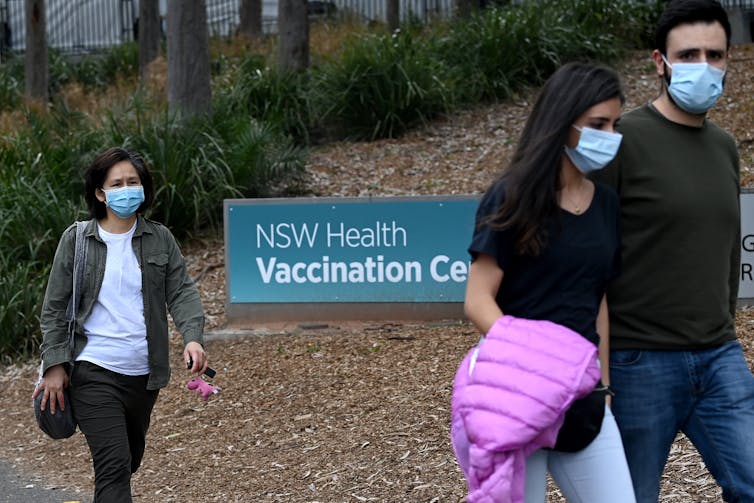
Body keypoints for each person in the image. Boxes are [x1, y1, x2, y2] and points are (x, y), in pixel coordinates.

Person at [589, 1, 754, 501]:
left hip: (719, 356)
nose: (702, 66)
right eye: (688, 55)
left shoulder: (724, 146)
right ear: (660, 62)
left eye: (714, 54)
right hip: (639, 363)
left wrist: (724, 328)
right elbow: (586, 256)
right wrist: (600, 375)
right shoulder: (621, 141)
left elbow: (726, 251)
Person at [455, 62, 635, 502]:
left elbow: (599, 302)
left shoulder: (606, 204)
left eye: (614, 123)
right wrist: (537, 367)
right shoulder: (512, 197)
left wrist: (604, 386)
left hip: (586, 402)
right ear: (562, 122)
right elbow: (478, 301)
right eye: (597, 124)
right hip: (516, 401)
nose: (609, 134)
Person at [32, 147, 209, 503]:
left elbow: (182, 292)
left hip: (145, 376)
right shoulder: (78, 240)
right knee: (113, 464)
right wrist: (54, 365)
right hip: (93, 368)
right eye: (117, 183)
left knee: (127, 460)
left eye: (133, 182)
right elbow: (55, 307)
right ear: (100, 192)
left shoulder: (159, 238)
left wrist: (193, 339)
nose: (127, 188)